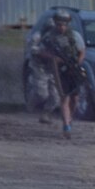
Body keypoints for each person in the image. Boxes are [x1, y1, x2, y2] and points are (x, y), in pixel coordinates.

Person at [35, 10, 86, 138]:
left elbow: (81, 51)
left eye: (64, 24)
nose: (61, 27)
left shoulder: (75, 36)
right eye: (59, 24)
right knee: (64, 97)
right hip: (59, 71)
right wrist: (53, 58)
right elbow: (40, 51)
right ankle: (66, 126)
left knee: (75, 99)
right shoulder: (49, 37)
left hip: (73, 70)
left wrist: (77, 64)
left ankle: (69, 118)